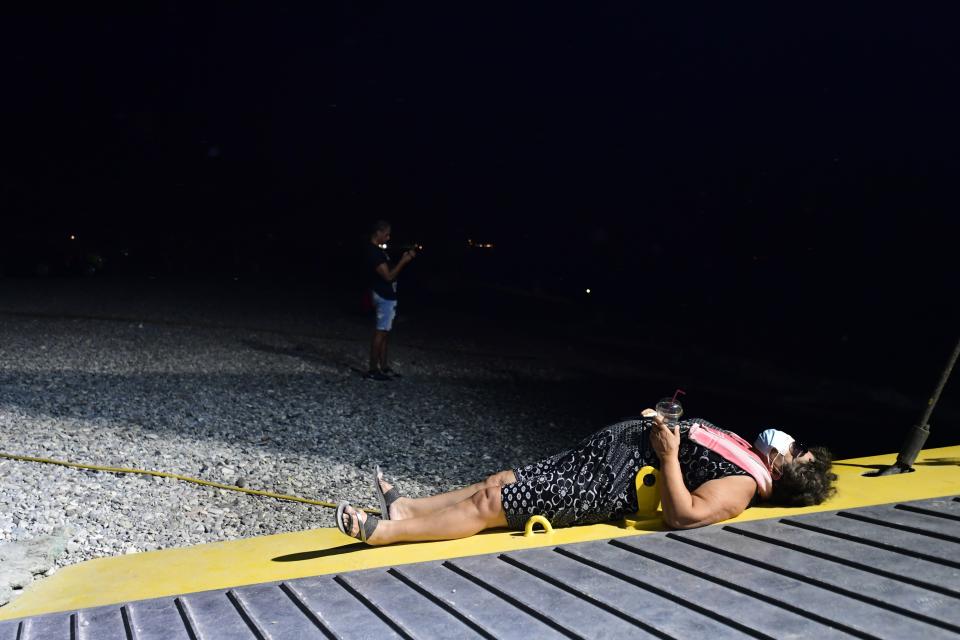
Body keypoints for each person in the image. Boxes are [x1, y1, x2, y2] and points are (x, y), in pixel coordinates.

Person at [336, 410, 837, 544]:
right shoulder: (748, 454)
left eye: (799, 456)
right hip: (602, 457)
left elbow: (684, 516)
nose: (794, 447)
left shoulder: (744, 485)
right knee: (497, 480)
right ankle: (408, 509)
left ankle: (385, 533)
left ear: (784, 474)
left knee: (493, 505)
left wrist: (666, 453)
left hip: (606, 485)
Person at [365, 220, 416, 381]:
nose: (388, 237)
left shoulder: (379, 251)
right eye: (386, 234)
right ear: (378, 232)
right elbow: (388, 276)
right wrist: (404, 261)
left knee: (385, 333)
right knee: (380, 333)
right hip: (384, 296)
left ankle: (383, 367)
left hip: (386, 295)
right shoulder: (373, 252)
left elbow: (388, 271)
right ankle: (373, 370)